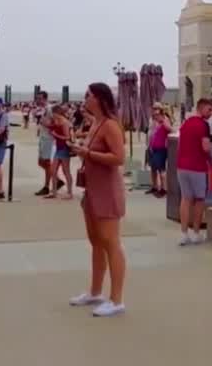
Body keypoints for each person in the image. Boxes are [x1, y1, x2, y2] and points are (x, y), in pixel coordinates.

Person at [68, 82, 128, 317]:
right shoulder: (95, 123)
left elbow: (119, 157)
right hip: (92, 189)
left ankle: (117, 299)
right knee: (96, 241)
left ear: (100, 99)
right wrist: (81, 149)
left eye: (88, 95)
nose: (84, 99)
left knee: (111, 241)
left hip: (107, 191)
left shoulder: (110, 125)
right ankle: (95, 291)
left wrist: (88, 153)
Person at [176, 98, 212, 245]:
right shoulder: (204, 125)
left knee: (185, 199)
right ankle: (196, 233)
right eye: (209, 109)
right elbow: (206, 147)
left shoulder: (185, 123)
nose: (211, 113)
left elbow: (180, 145)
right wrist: (211, 159)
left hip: (182, 166)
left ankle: (184, 234)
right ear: (201, 108)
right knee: (199, 200)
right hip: (197, 166)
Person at [47, 105, 75, 200]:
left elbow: (67, 137)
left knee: (66, 171)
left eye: (53, 113)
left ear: (57, 113)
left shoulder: (64, 122)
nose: (52, 115)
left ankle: (70, 192)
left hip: (64, 148)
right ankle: (54, 192)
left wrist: (55, 134)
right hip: (59, 147)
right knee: (53, 170)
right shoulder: (57, 121)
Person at [33, 92, 57, 196]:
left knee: (47, 163)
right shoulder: (41, 110)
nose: (37, 100)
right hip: (43, 137)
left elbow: (57, 123)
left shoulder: (50, 109)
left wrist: (46, 124)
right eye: (37, 98)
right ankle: (57, 179)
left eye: (39, 98)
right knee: (40, 162)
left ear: (45, 99)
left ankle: (47, 186)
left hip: (48, 139)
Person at [146, 103, 172, 197]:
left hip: (161, 148)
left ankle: (164, 188)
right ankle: (155, 186)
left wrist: (163, 122)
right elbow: (151, 133)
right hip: (153, 147)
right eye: (154, 112)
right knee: (153, 167)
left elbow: (170, 130)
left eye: (157, 113)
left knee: (161, 168)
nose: (155, 116)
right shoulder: (153, 121)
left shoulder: (164, 120)